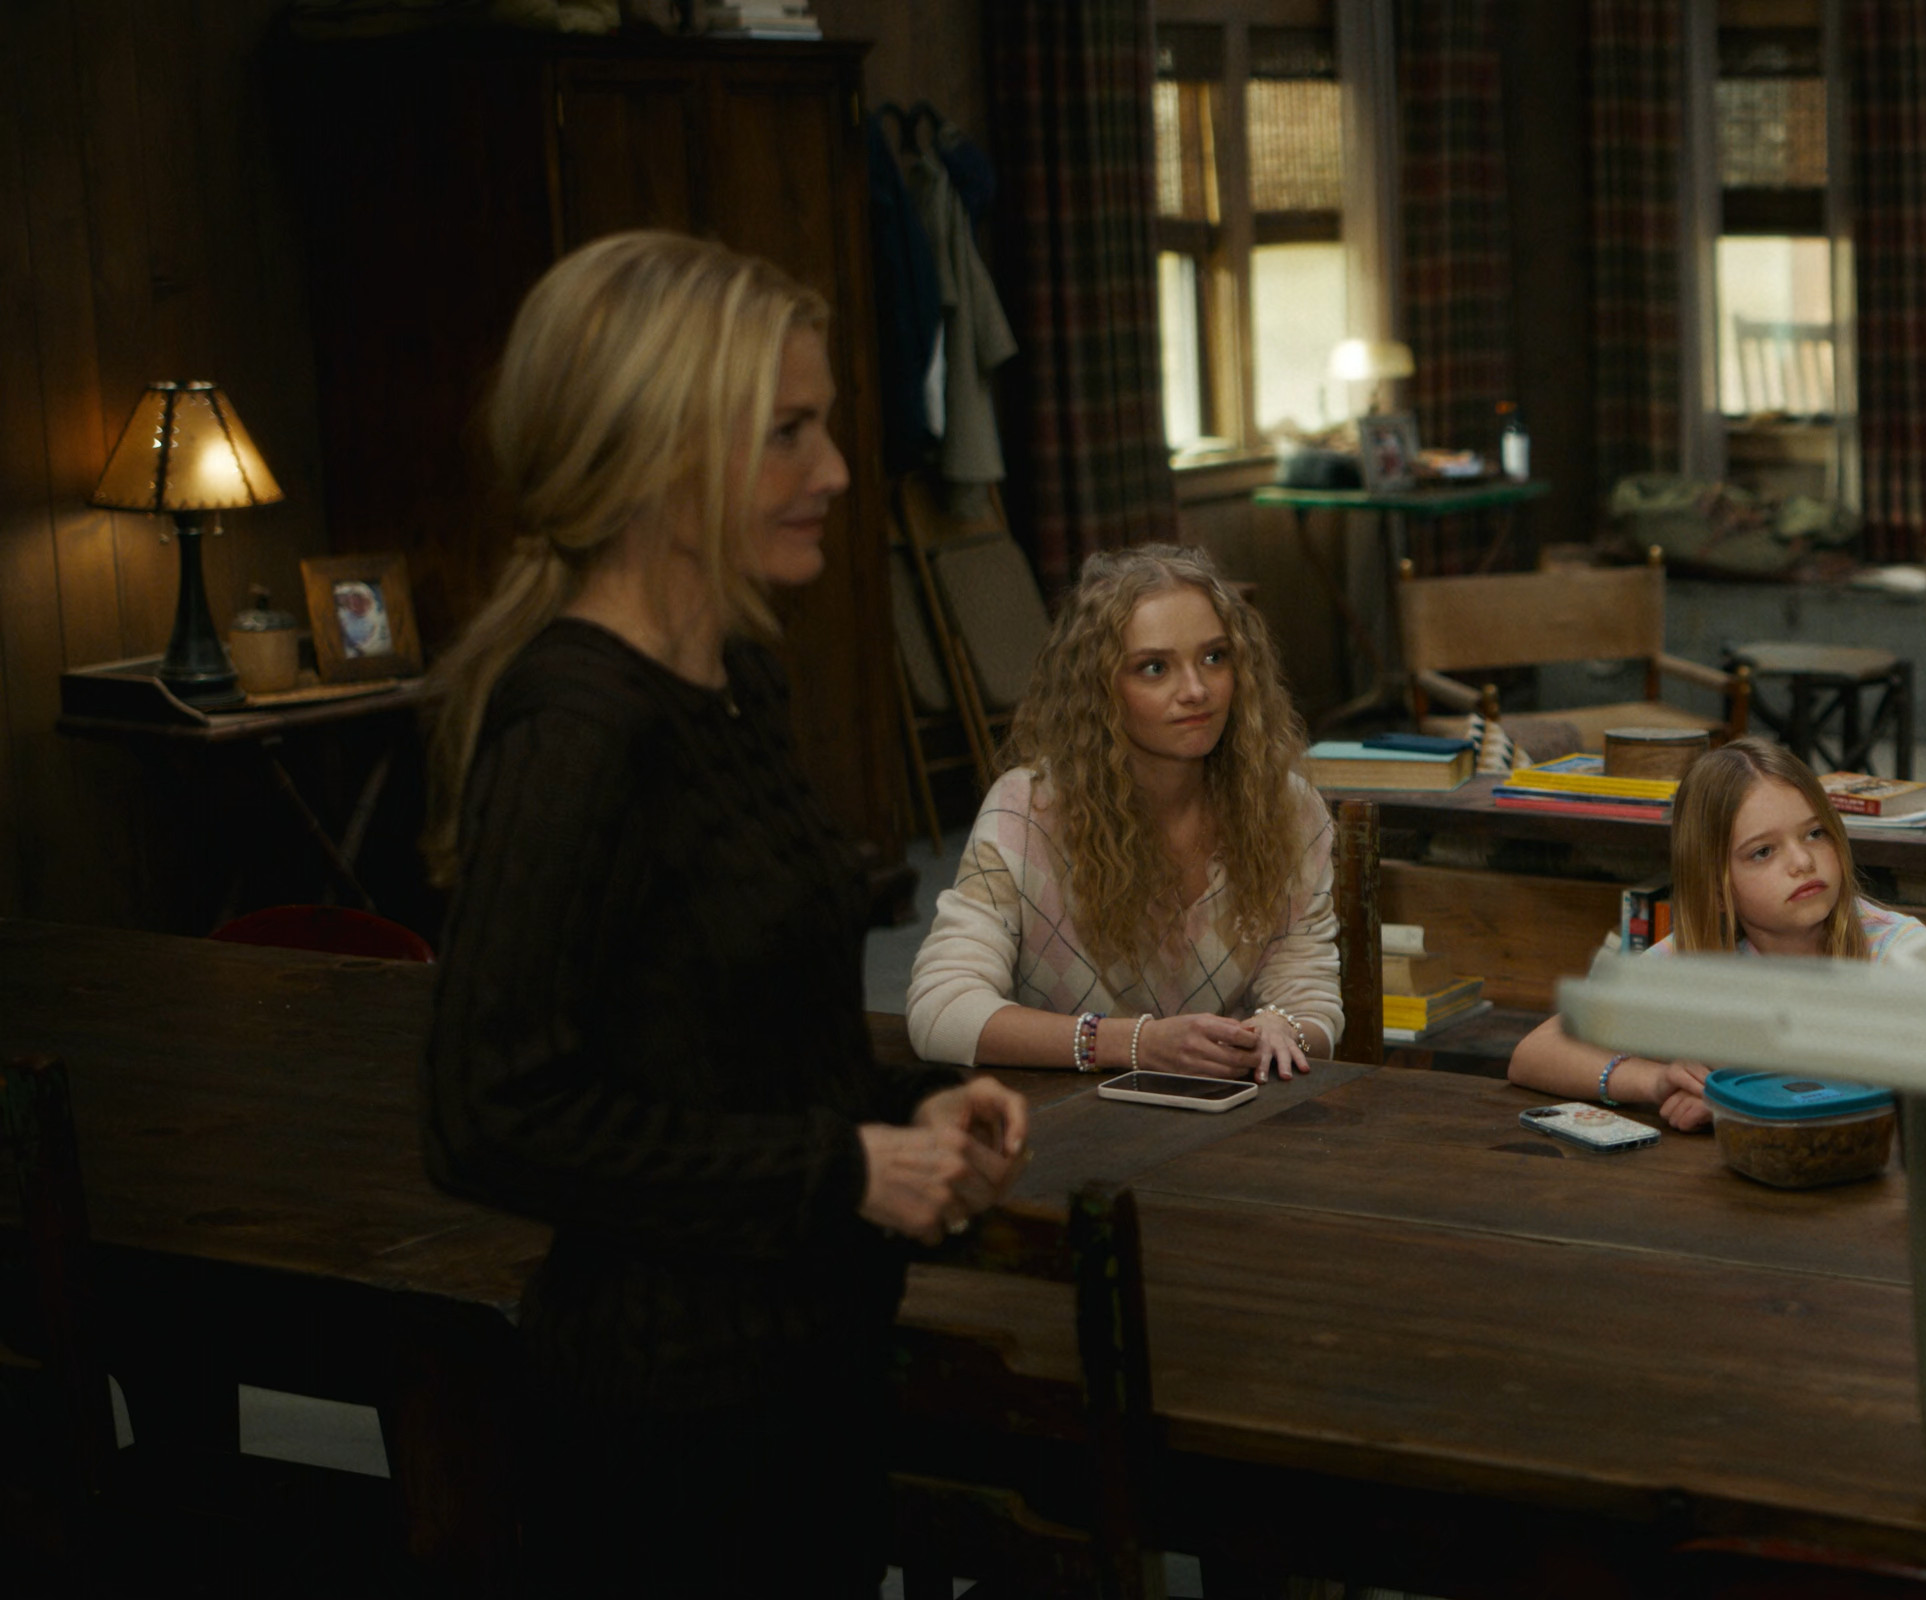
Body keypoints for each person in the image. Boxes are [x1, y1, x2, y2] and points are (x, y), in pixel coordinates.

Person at [420, 231, 1031, 1596]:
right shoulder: (578, 727)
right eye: (786, 434)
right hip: (668, 1433)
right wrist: (842, 1169)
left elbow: (724, 1041)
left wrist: (905, 1114)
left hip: (806, 1375)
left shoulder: (738, 676)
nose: (836, 471)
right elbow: (487, 1114)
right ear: (656, 453)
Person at [907, 543, 1342, 1082]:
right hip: (1070, 1114)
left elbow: (1312, 1000)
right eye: (1154, 668)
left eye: (1215, 657)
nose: (1196, 690)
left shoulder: (1284, 806)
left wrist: (1281, 1028)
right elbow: (941, 1012)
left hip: (1231, 1108)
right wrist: (1135, 1044)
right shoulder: (1027, 810)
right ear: (1098, 689)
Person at [1509, 738, 1924, 1130]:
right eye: (1763, 852)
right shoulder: (1688, 960)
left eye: (1815, 833)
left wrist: (1743, 1099)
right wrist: (1656, 1081)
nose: (1802, 861)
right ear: (1716, 890)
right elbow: (1534, 1052)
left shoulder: (1902, 953)